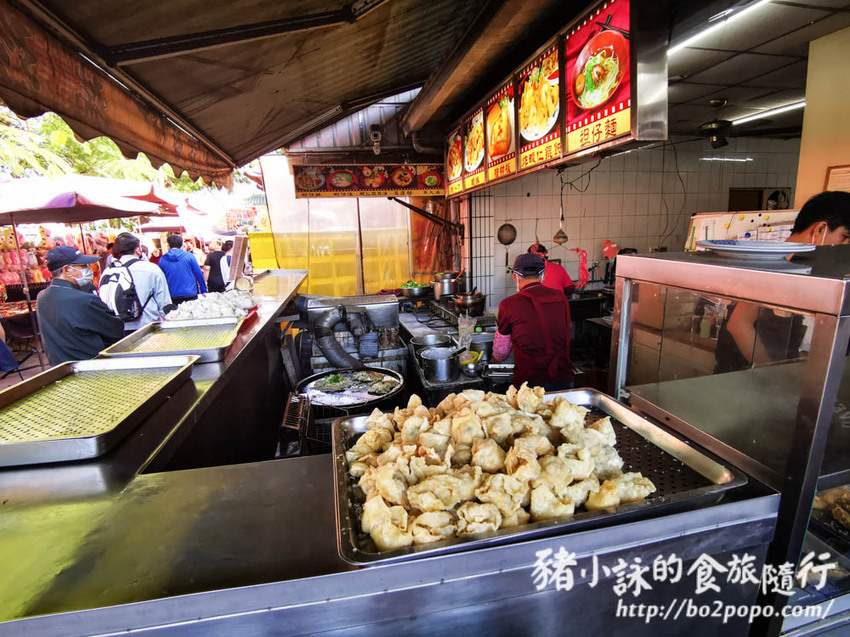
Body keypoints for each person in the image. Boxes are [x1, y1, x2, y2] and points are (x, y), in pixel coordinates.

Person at [715, 191, 850, 372]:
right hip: (743, 377)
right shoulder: (772, 264)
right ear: (820, 230)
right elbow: (739, 323)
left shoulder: (812, 267)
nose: (846, 249)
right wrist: (773, 376)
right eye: (846, 238)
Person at [493, 253, 573, 390]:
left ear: (515, 277)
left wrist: (493, 361)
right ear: (543, 275)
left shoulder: (508, 305)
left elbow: (501, 353)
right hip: (563, 378)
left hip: (529, 384)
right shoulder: (561, 298)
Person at [37, 246, 125, 366]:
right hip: (89, 366)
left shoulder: (42, 296)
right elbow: (116, 331)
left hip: (58, 367)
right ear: (67, 269)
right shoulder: (85, 300)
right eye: (83, 266)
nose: (88, 269)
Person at [100, 232, 172, 331]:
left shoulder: (108, 271)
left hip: (119, 329)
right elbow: (164, 304)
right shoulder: (151, 269)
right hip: (147, 327)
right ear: (138, 250)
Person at [158, 234, 207, 304]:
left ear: (169, 245)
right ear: (181, 244)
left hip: (172, 294)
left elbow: (161, 278)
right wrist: (203, 289)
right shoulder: (190, 256)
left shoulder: (162, 259)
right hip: (190, 292)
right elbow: (198, 273)